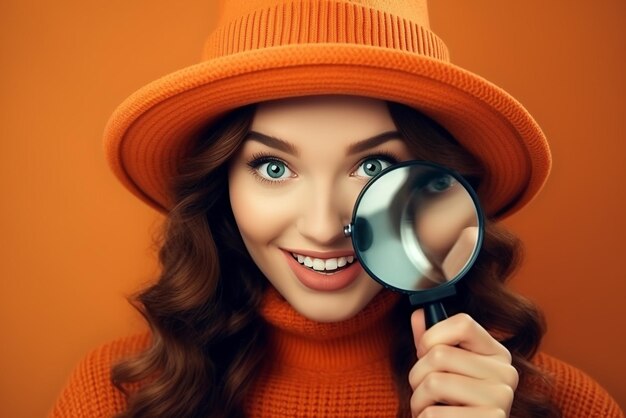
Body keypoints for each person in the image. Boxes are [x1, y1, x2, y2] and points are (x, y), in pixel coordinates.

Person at [50, 1, 624, 417]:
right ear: (220, 184)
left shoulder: (566, 405)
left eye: (372, 167)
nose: (325, 227)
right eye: (274, 167)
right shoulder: (115, 396)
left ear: (439, 185)